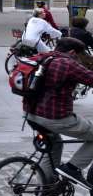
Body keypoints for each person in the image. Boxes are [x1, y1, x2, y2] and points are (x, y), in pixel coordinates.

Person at [24, 37, 93, 188]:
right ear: (73, 52)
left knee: (54, 144)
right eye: (81, 55)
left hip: (31, 114)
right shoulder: (68, 63)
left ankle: (45, 187)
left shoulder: (44, 57)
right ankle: (72, 168)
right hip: (54, 118)